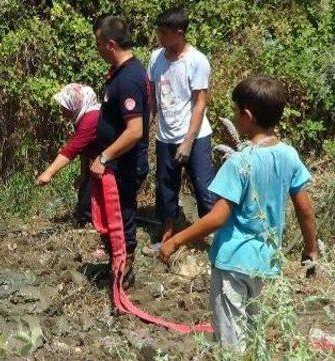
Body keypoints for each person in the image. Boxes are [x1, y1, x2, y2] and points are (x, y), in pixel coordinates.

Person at [159, 76, 319, 351]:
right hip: (266, 260)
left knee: (231, 342)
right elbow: (304, 209)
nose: (235, 116)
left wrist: (176, 240)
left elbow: (218, 217)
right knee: (255, 333)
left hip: (232, 262)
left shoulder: (240, 163)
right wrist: (311, 249)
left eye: (236, 112)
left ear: (246, 115)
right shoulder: (289, 155)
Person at [145, 7, 215, 255]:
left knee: (205, 189)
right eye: (158, 32)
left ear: (180, 32)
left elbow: (200, 104)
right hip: (165, 136)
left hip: (196, 136)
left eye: (164, 33)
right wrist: (147, 128)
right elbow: (153, 98)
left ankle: (214, 242)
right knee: (165, 188)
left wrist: (187, 142)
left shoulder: (196, 61)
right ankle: (167, 236)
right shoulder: (156, 58)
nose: (160, 38)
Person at [92, 15, 150, 286]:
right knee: (115, 216)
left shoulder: (128, 78)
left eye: (99, 45)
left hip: (124, 164)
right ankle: (116, 264)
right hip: (119, 162)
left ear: (110, 44)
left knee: (122, 216)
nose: (98, 50)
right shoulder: (124, 73)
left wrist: (105, 156)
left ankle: (123, 273)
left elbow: (135, 130)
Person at [35, 83, 101, 225]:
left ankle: (90, 225)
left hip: (109, 164)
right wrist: (84, 174)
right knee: (84, 194)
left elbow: (72, 150)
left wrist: (48, 173)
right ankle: (86, 219)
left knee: (87, 205)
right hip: (97, 162)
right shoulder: (85, 116)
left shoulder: (91, 118)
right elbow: (84, 148)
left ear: (74, 104)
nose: (61, 110)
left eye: (64, 106)